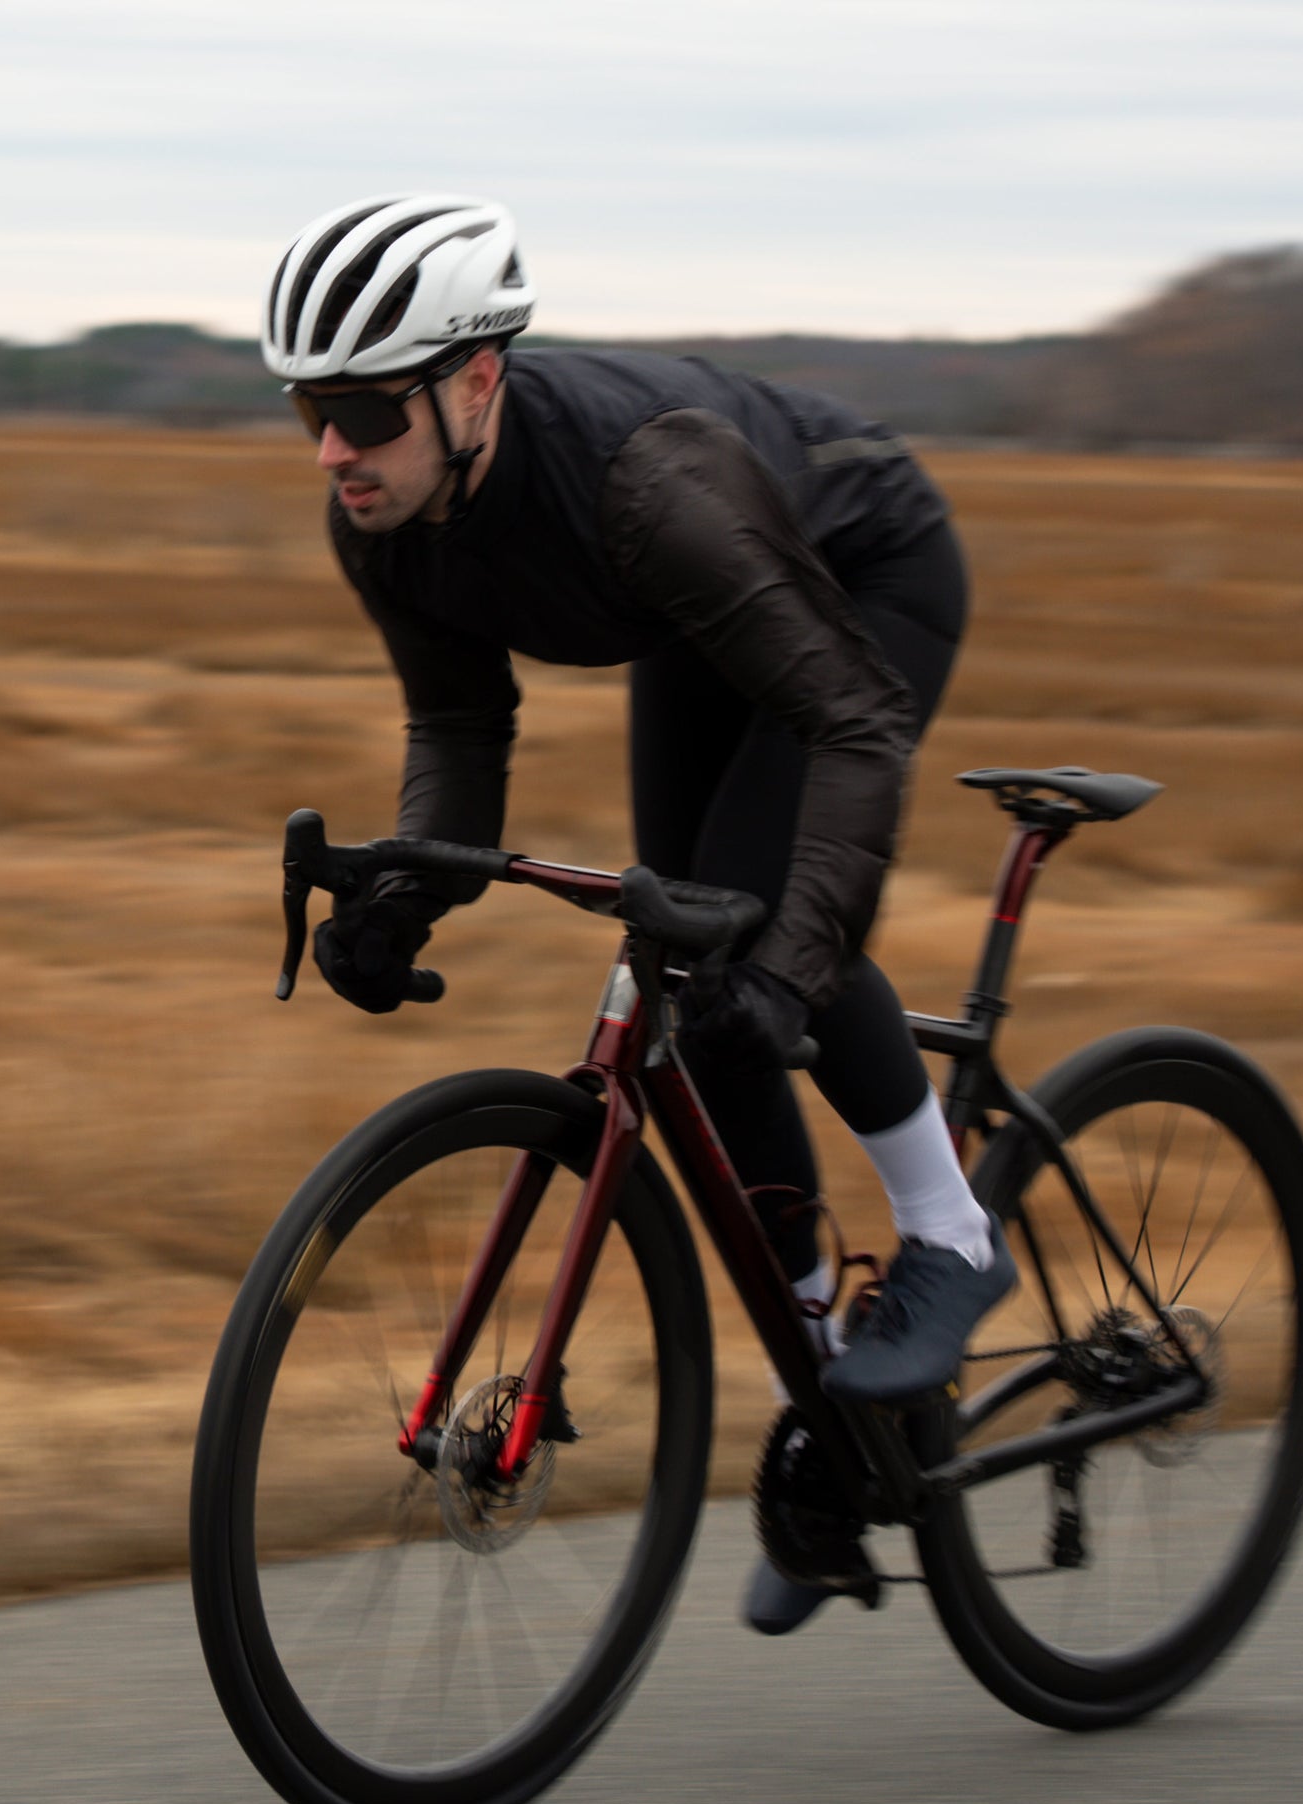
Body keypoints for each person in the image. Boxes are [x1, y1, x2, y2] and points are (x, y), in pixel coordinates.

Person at [261, 192, 1016, 1632]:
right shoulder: (384, 513)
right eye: (309, 407)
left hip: (861, 570)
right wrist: (404, 900)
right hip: (697, 610)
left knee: (748, 931)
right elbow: (463, 732)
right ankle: (841, 1417)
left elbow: (853, 726)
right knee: (698, 968)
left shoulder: (642, 482)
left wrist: (793, 961)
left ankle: (951, 1231)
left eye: (363, 409)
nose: (333, 449)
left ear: (475, 380)